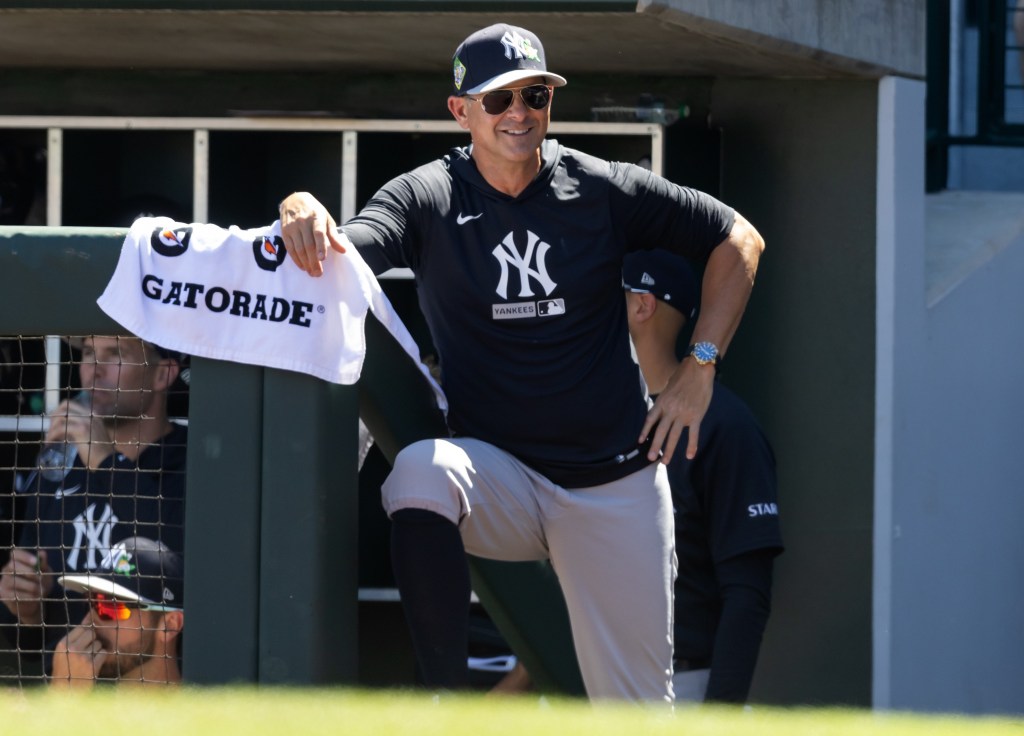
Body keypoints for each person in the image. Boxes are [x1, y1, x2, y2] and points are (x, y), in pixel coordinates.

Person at [278, 22, 765, 702]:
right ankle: (446, 708)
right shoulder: (428, 194)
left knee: (638, 714)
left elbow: (739, 238)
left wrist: (701, 365)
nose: (519, 114)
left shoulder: (600, 187)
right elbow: (342, 256)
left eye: (535, 96)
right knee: (420, 472)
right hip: (502, 480)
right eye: (499, 99)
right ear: (461, 111)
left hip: (613, 487)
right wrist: (300, 207)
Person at [622, 249, 783, 704]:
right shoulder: (599, 420)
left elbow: (747, 592)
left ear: (641, 305)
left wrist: (719, 720)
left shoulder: (726, 425)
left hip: (685, 687)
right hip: (599, 682)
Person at [0, 335, 187, 683]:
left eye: (115, 354)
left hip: (160, 691)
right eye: (88, 353)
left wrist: (105, 461)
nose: (94, 371)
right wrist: (24, 607)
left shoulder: (192, 462)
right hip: (68, 689)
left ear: (164, 374)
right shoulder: (59, 467)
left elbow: (177, 555)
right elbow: (26, 639)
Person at [50, 536, 184, 688]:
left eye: (109, 605)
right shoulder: (88, 707)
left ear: (170, 625)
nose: (88, 620)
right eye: (91, 602)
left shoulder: (202, 710)